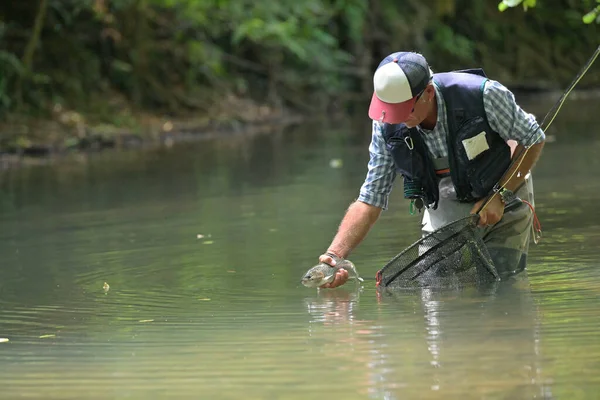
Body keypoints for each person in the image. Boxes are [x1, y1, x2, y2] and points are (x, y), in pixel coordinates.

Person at [318, 51, 545, 288]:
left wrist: (501, 194)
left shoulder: (483, 94)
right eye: (392, 111)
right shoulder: (387, 123)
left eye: (405, 109)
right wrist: (335, 256)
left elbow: (533, 138)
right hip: (445, 205)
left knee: (503, 286)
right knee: (437, 294)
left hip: (506, 197)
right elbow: (371, 198)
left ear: (428, 92)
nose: (398, 119)